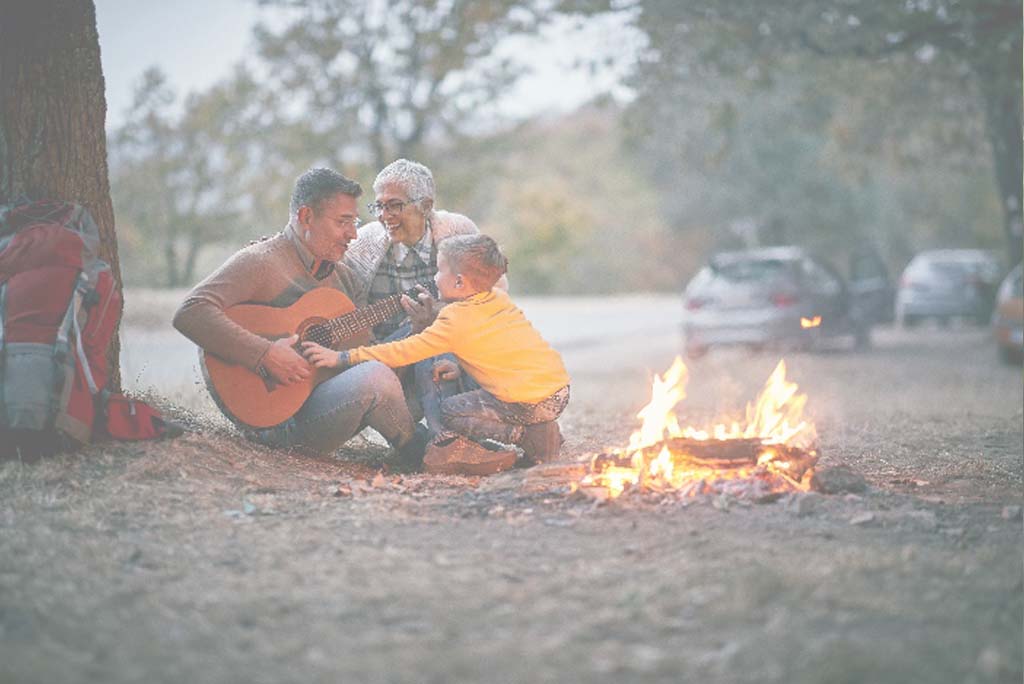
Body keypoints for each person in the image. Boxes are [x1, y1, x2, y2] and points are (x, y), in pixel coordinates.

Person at [172, 167, 428, 465]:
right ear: (306, 217)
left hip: (327, 405)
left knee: (434, 342)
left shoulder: (344, 275)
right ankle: (424, 456)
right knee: (375, 377)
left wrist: (419, 329)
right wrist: (264, 354)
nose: (353, 234)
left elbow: (365, 356)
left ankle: (445, 441)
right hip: (277, 424)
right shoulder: (261, 260)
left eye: (355, 222)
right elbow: (191, 312)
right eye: (343, 222)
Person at [303, 234, 569, 465]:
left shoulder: (454, 320)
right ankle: (539, 428)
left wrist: (343, 357)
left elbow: (403, 351)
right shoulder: (496, 298)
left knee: (450, 411)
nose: (434, 277)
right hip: (557, 390)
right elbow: (503, 347)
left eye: (440, 271)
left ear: (459, 283)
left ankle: (529, 435)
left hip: (528, 402)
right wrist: (460, 366)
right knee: (482, 397)